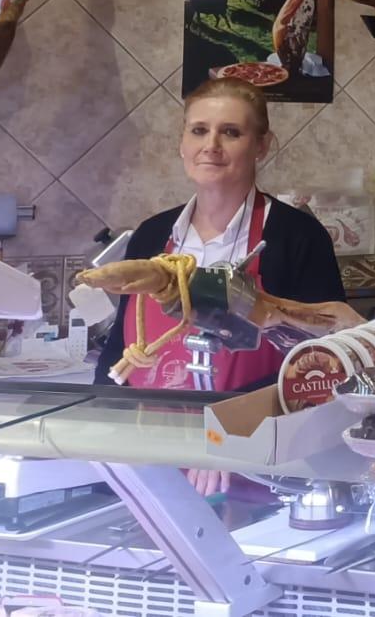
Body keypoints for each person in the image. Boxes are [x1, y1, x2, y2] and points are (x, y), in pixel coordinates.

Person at [93, 78, 350, 492]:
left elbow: (322, 362)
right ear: (182, 142)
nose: (210, 145)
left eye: (231, 132)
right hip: (151, 453)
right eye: (199, 130)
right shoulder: (151, 234)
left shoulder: (298, 236)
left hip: (254, 463)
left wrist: (229, 434)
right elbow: (119, 348)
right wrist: (98, 428)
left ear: (261, 145)